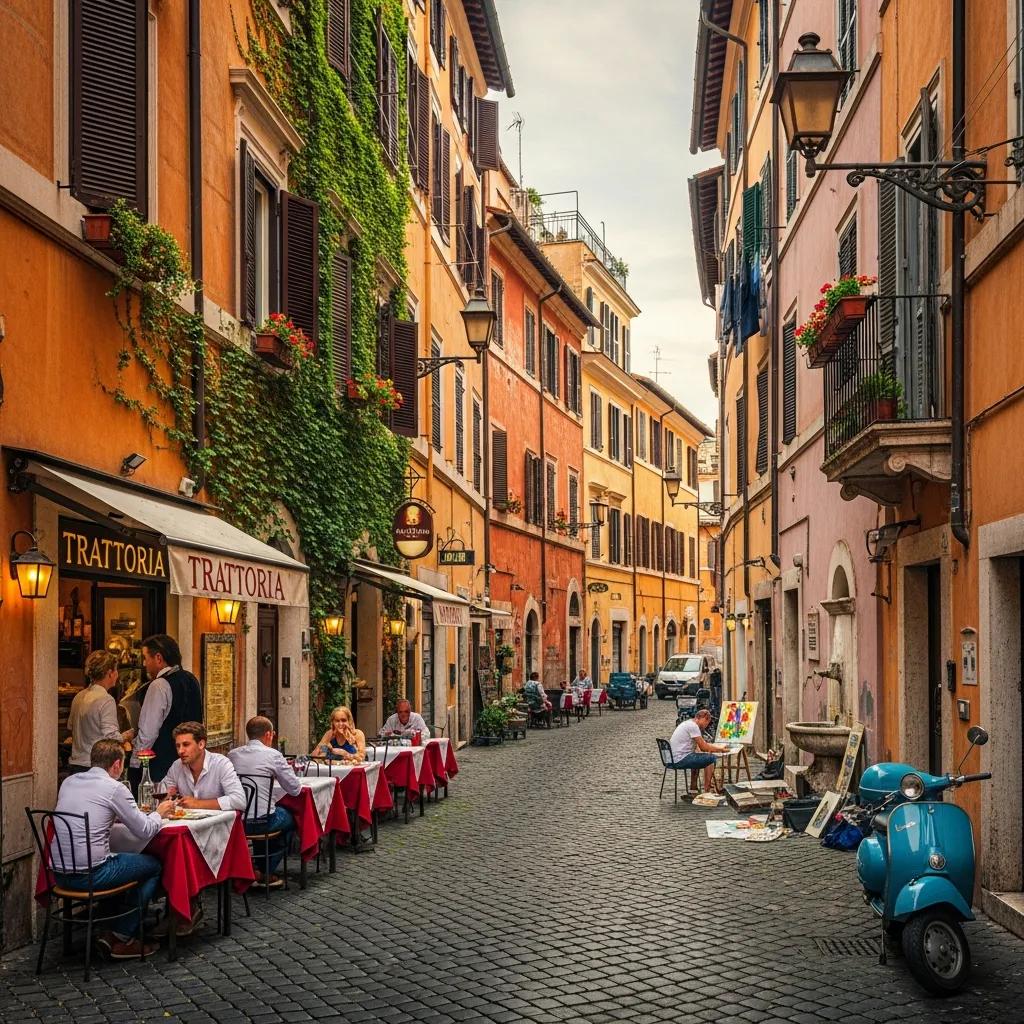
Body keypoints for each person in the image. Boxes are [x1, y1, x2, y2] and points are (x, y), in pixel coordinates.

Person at [50, 738, 174, 959]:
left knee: (123, 859)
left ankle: (112, 921)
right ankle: (121, 935)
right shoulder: (114, 788)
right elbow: (145, 830)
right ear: (117, 764)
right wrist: (160, 812)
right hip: (91, 875)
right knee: (154, 865)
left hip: (58, 874)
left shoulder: (69, 782)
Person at [228, 716, 300, 888]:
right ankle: (264, 870)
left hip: (237, 820)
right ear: (269, 734)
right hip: (263, 822)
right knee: (292, 819)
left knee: (271, 811)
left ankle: (255, 868)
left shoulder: (232, 754)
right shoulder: (273, 755)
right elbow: (295, 789)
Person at [132, 634, 202, 783]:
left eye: (145, 658)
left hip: (162, 767)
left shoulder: (159, 685)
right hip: (191, 762)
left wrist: (135, 763)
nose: (144, 664)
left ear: (158, 658)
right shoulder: (192, 679)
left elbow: (148, 732)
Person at [67, 651, 135, 773]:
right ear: (109, 673)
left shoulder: (78, 696)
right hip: (95, 765)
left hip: (76, 763)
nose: (117, 674)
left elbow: (70, 726)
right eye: (116, 670)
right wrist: (126, 736)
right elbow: (111, 737)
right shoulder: (106, 699)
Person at [162, 722, 246, 812]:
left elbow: (239, 801)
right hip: (186, 822)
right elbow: (165, 790)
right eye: (178, 746)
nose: (180, 751)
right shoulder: (177, 766)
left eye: (186, 745)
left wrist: (197, 804)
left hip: (216, 824)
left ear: (201, 744)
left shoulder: (221, 764)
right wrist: (169, 794)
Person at [668, 708, 733, 795]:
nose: (706, 726)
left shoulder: (688, 723)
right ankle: (707, 789)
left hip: (673, 758)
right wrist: (720, 749)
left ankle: (693, 789)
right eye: (707, 722)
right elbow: (704, 747)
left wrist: (709, 748)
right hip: (680, 759)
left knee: (700, 757)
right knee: (711, 758)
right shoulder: (693, 726)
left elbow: (699, 746)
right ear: (703, 718)